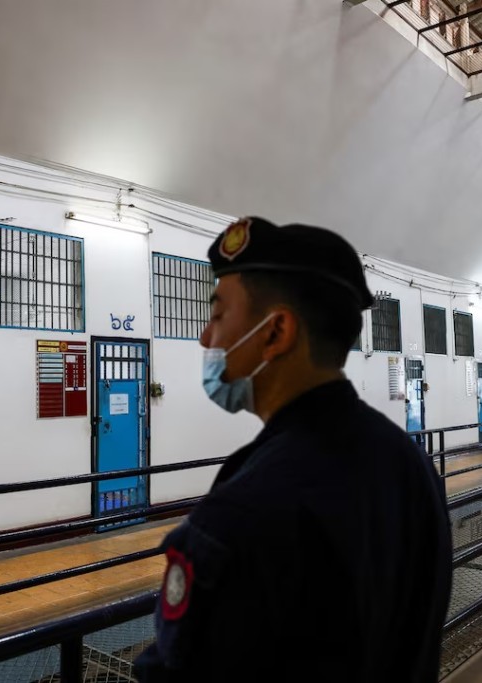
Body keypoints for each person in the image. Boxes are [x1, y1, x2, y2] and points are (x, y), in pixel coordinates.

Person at [133, 217, 452, 682]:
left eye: (219, 314)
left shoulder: (248, 506)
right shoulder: (407, 460)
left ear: (275, 332)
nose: (206, 336)